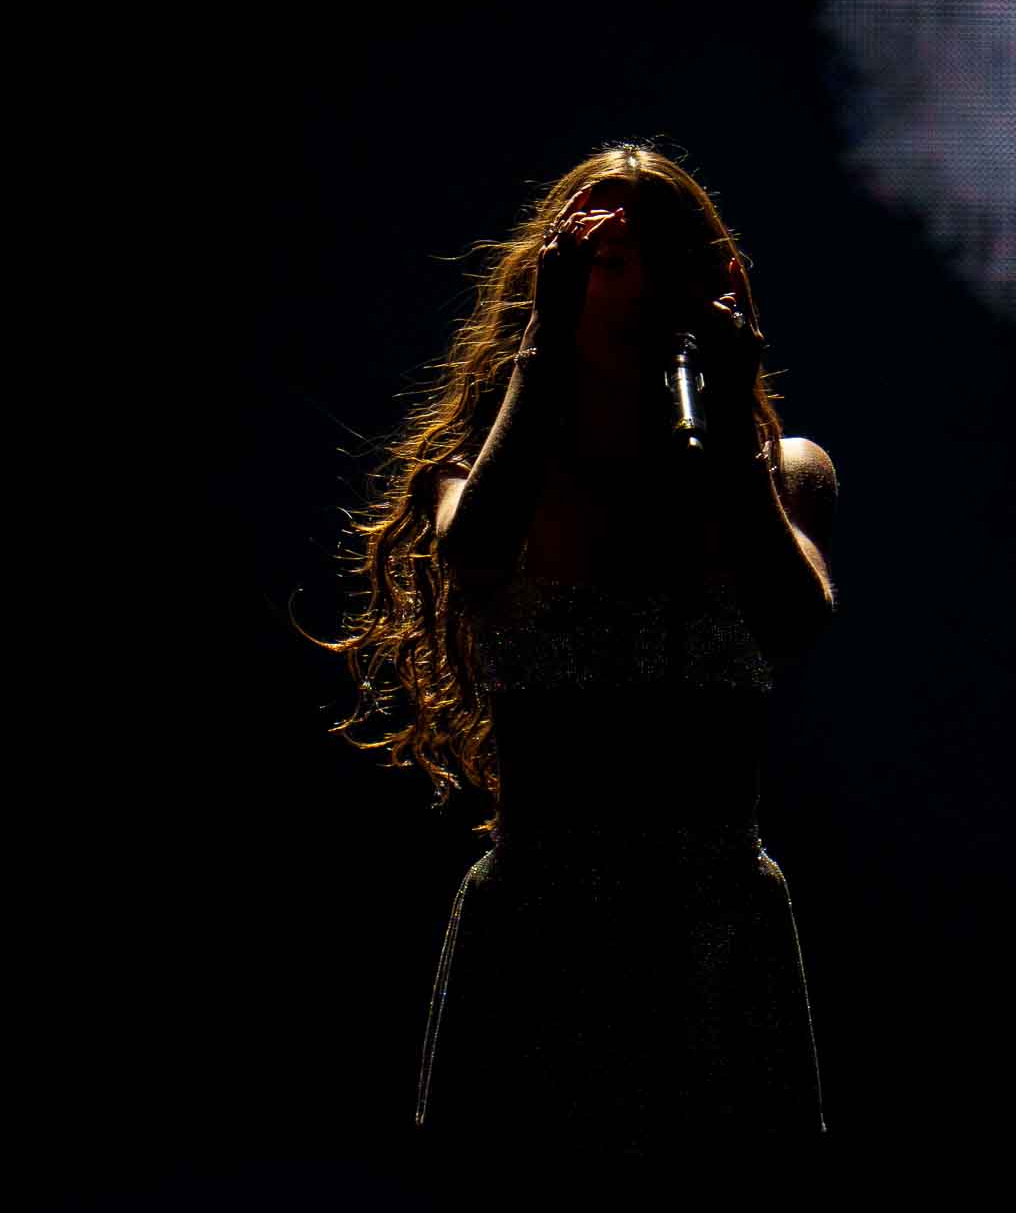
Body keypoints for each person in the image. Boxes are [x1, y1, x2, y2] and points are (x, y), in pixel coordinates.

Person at [321, 144, 836, 1153]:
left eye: (661, 257)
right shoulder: (479, 476)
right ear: (553, 280)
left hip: (713, 946)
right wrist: (544, 345)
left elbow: (797, 619)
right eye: (604, 258)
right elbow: (475, 550)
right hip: (540, 941)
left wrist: (729, 427)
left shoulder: (776, 473)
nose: (636, 286)